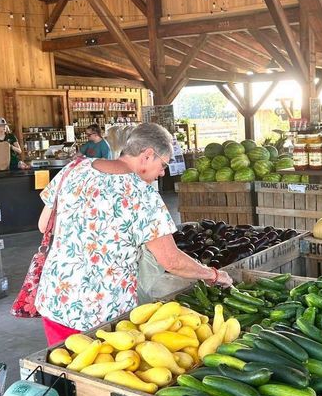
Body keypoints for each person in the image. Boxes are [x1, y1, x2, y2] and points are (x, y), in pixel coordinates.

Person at [34, 123, 232, 345]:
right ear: (147, 155)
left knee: (61, 363)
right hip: (103, 314)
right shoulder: (143, 194)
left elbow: (44, 225)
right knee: (96, 365)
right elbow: (171, 260)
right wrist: (213, 275)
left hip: (56, 298)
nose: (162, 172)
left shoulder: (74, 168)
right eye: (163, 164)